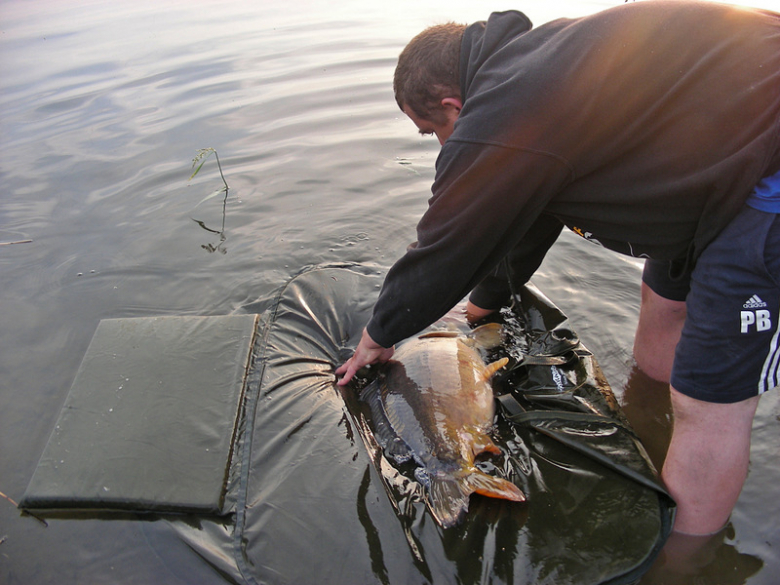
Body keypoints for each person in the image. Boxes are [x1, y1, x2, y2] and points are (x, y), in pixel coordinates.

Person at [335, 0, 780, 536]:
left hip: (764, 178)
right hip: (718, 159)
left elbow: (445, 243)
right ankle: (646, 428)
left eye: (433, 132)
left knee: (706, 405)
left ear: (453, 104)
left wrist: (378, 335)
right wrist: (478, 309)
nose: (441, 145)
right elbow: (529, 222)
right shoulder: (533, 76)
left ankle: (686, 562)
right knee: (663, 301)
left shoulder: (502, 106)